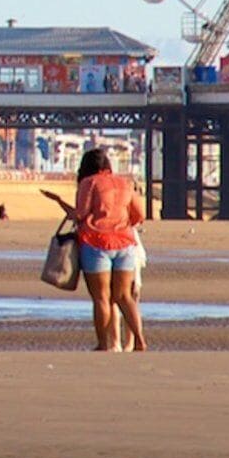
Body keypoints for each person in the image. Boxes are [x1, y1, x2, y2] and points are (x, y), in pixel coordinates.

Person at [66, 144, 150, 353]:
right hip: (125, 244)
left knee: (102, 298)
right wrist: (121, 223)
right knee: (124, 297)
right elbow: (139, 215)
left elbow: (81, 214)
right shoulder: (125, 183)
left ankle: (103, 344)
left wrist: (64, 207)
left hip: (97, 243)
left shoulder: (89, 183)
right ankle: (140, 340)